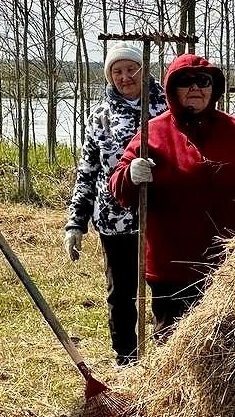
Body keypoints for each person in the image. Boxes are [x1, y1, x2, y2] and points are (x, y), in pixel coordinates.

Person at [109, 53, 235, 337]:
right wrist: (130, 175)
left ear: (214, 88)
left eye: (203, 81)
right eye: (185, 82)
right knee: (173, 344)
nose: (195, 88)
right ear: (172, 89)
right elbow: (119, 188)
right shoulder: (154, 132)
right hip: (172, 269)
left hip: (232, 266)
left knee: (230, 341)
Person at [65, 44, 166, 367]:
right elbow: (88, 172)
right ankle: (126, 360)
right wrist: (75, 223)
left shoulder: (165, 108)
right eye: (117, 71)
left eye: (131, 69)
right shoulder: (100, 116)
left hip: (160, 218)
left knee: (164, 290)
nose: (125, 77)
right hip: (114, 220)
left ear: (144, 70)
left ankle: (168, 357)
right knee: (121, 294)